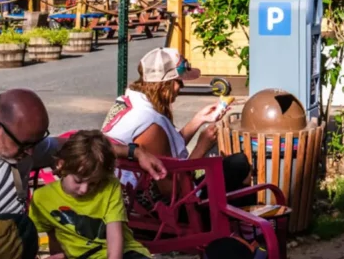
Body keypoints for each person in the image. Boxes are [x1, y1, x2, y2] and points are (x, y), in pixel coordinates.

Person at [0, 89, 165, 259]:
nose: (33, 152)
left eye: (37, 142)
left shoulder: (21, 147)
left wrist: (133, 151)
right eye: (26, 146)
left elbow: (77, 146)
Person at [102, 48, 252, 207]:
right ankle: (242, 227)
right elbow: (173, 190)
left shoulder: (126, 104)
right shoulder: (150, 124)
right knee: (239, 165)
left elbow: (164, 150)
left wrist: (199, 119)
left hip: (129, 199)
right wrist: (201, 148)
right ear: (165, 84)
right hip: (158, 210)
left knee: (234, 167)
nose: (181, 87)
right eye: (179, 81)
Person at [29, 130, 151, 259]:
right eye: (78, 181)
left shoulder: (109, 186)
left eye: (93, 183)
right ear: (61, 165)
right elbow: (53, 238)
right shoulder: (42, 198)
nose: (84, 190)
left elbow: (115, 238)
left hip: (124, 253)